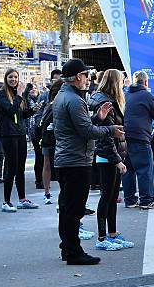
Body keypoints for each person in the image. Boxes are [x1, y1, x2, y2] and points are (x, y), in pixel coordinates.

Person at [53, 59, 124, 265]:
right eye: (85, 75)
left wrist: (98, 118)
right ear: (77, 77)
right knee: (74, 208)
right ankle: (73, 251)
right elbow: (86, 132)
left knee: (67, 206)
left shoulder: (64, 96)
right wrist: (110, 129)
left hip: (68, 159)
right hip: (76, 161)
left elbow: (80, 126)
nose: (87, 79)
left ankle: (68, 247)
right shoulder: (74, 100)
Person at [88, 69, 134, 251]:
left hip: (112, 155)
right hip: (106, 157)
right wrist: (117, 160)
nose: (123, 84)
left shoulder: (106, 100)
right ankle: (102, 237)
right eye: (121, 81)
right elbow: (106, 137)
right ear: (115, 82)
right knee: (106, 197)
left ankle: (112, 234)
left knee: (112, 197)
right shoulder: (105, 102)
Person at [0, 69, 41, 212]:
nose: (13, 79)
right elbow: (11, 111)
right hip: (8, 135)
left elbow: (21, 115)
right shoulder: (1, 94)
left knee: (20, 168)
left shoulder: (18, 95)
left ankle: (22, 199)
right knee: (11, 168)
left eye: (15, 77)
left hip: (20, 134)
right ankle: (6, 201)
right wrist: (21, 95)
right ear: (6, 78)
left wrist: (34, 110)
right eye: (11, 77)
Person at [122, 71, 154, 210]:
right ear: (145, 82)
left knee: (128, 169)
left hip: (124, 136)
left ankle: (130, 200)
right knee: (145, 169)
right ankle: (146, 200)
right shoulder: (146, 95)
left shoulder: (125, 94)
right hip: (140, 136)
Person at [39, 79, 64, 205]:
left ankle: (48, 193)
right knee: (50, 164)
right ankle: (48, 193)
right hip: (51, 139)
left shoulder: (51, 104)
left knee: (48, 164)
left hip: (49, 139)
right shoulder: (53, 104)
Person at [24, 82, 45, 190]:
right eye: (31, 88)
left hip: (40, 129)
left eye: (35, 88)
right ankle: (39, 180)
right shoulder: (27, 100)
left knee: (42, 156)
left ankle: (41, 179)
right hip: (33, 131)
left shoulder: (40, 98)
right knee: (39, 155)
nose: (34, 90)